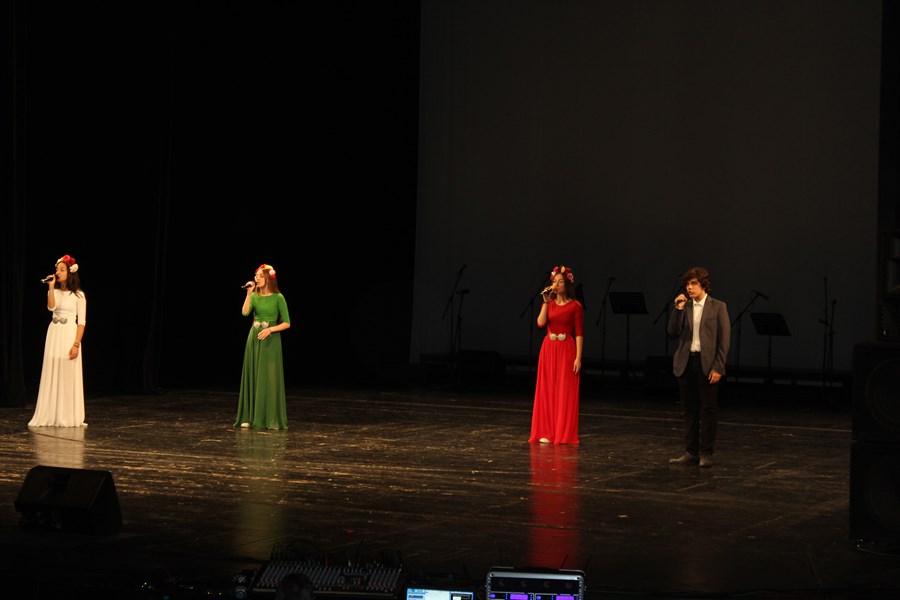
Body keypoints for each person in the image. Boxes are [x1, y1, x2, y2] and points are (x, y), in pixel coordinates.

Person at [666, 266, 731, 467]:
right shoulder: (684, 306)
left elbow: (724, 341)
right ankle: (690, 452)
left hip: (707, 363)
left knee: (708, 410)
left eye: (693, 283)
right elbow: (672, 332)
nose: (689, 287)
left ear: (703, 284)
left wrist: (718, 367)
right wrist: (677, 310)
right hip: (686, 362)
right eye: (687, 284)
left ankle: (706, 453)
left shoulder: (718, 307)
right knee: (689, 410)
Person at [29, 254, 87, 428]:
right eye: (57, 269)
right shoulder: (52, 291)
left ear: (70, 273)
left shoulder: (79, 296)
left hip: (69, 333)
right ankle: (50, 413)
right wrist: (51, 286)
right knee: (52, 368)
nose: (58, 272)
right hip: (54, 333)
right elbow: (51, 307)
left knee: (67, 372)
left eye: (62, 270)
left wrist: (76, 344)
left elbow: (81, 322)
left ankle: (67, 415)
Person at [528, 265, 584, 445]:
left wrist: (578, 357)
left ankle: (562, 432)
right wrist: (545, 302)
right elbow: (540, 323)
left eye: (560, 282)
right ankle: (546, 430)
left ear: (567, 285)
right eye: (555, 281)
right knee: (548, 389)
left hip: (566, 350)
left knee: (563, 390)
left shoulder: (575, 306)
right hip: (549, 349)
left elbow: (579, 333)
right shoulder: (549, 303)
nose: (556, 285)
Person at [234, 263, 291, 430]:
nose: (256, 278)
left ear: (268, 279)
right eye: (255, 276)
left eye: (259, 276)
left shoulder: (278, 297)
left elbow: (287, 323)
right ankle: (249, 416)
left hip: (271, 340)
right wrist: (249, 293)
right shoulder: (254, 295)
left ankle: (270, 418)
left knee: (269, 379)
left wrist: (270, 330)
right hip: (254, 339)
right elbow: (245, 312)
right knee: (253, 375)